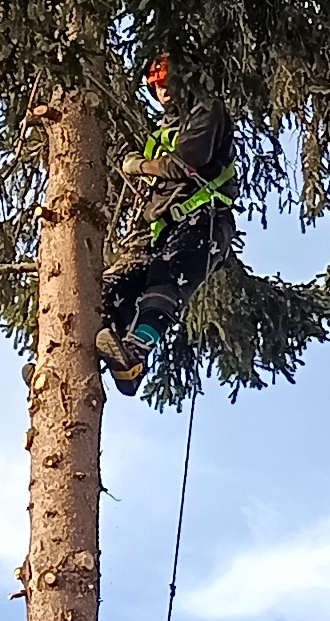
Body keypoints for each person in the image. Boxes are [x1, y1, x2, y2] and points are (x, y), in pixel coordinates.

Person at [95, 54, 238, 396]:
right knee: (114, 291)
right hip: (165, 230)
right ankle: (67, 364)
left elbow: (187, 163)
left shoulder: (207, 110)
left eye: (167, 81)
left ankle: (136, 352)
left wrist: (140, 166)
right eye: (156, 85)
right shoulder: (163, 130)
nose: (162, 90)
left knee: (166, 276)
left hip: (206, 218)